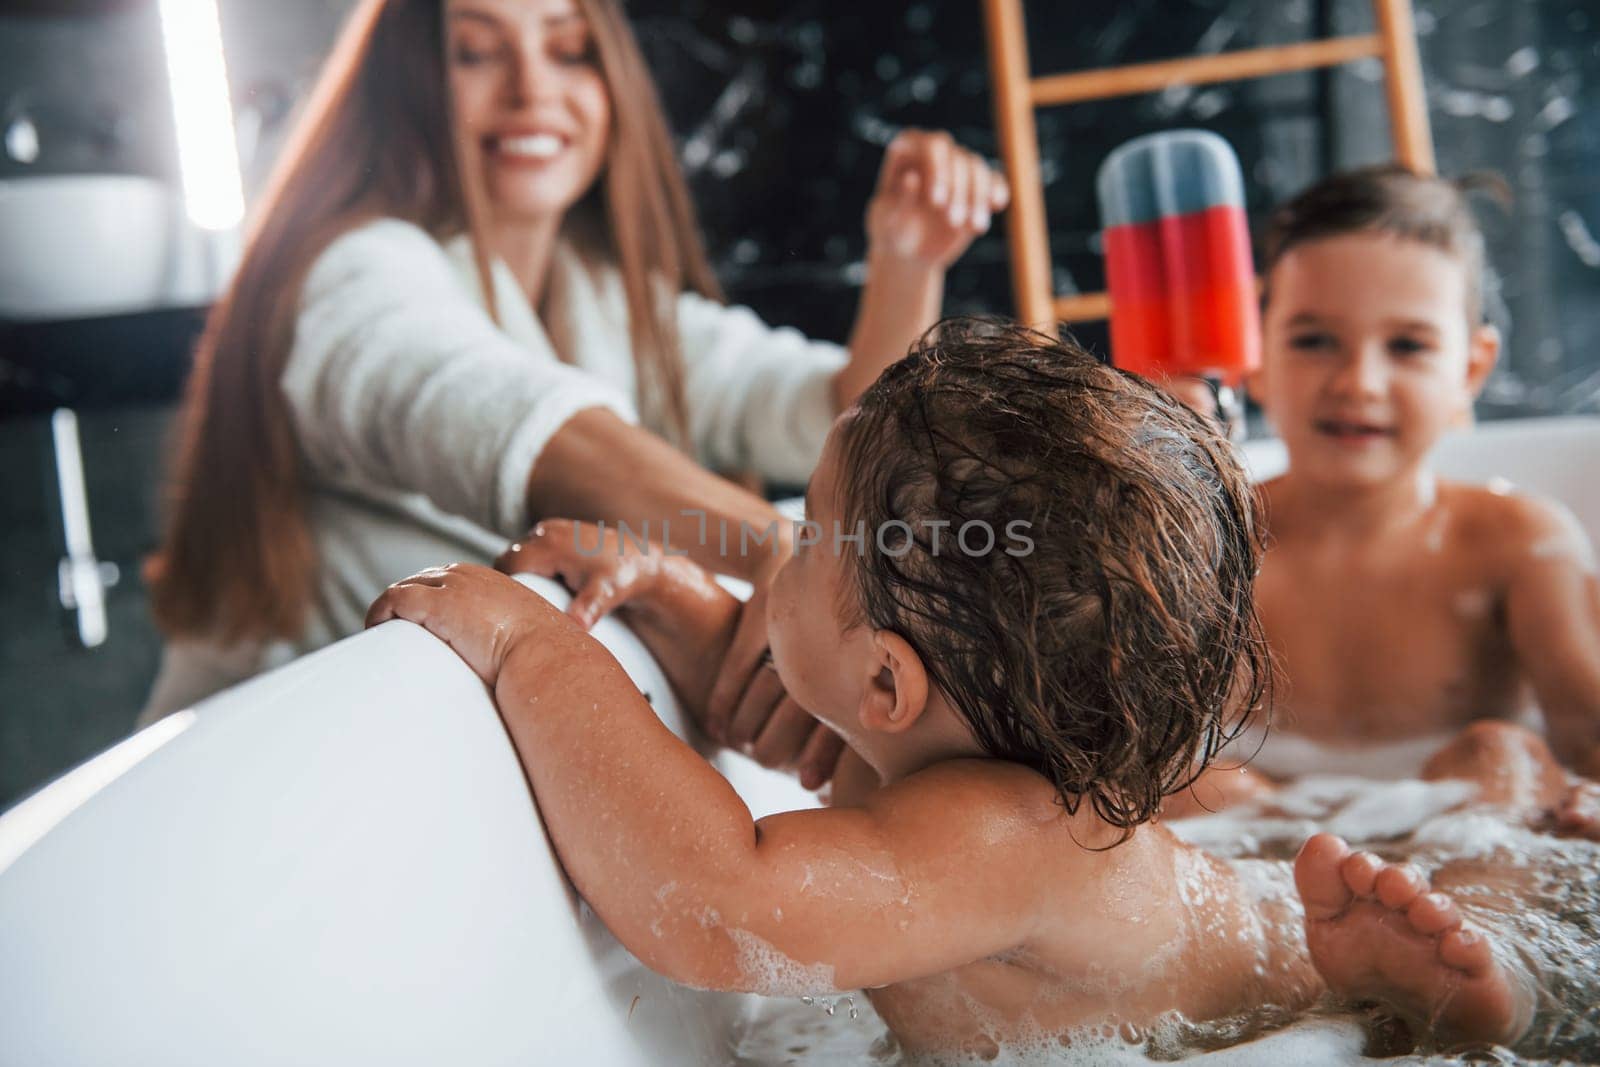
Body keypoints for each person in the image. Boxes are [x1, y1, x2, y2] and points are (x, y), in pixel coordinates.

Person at [368, 321, 1566, 1055]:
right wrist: (664, 605)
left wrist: (531, 647)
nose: (773, 551)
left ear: (889, 679)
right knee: (1450, 814)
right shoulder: (951, 776)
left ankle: (1472, 929)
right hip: (1260, 897)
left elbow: (715, 898)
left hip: (1289, 972)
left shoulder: (1000, 835)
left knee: (1468, 851)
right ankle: (1491, 791)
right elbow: (795, 712)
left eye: (801, 529)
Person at [139, 0, 1009, 763]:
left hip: (405, 770)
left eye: (568, 49)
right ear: (405, 88)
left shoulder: (603, 297)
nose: (531, 90)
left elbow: (837, 426)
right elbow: (533, 431)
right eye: (476, 52)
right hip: (250, 781)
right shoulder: (350, 275)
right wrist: (804, 567)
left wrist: (905, 260)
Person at [1237, 166, 1600, 784]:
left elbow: (1593, 748)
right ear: (1256, 353)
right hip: (1262, 841)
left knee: (1501, 760)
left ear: (1470, 368)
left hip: (1461, 844)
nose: (1359, 382)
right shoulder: (1214, 547)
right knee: (1206, 788)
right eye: (1315, 340)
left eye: (1407, 347)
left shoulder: (1516, 544)